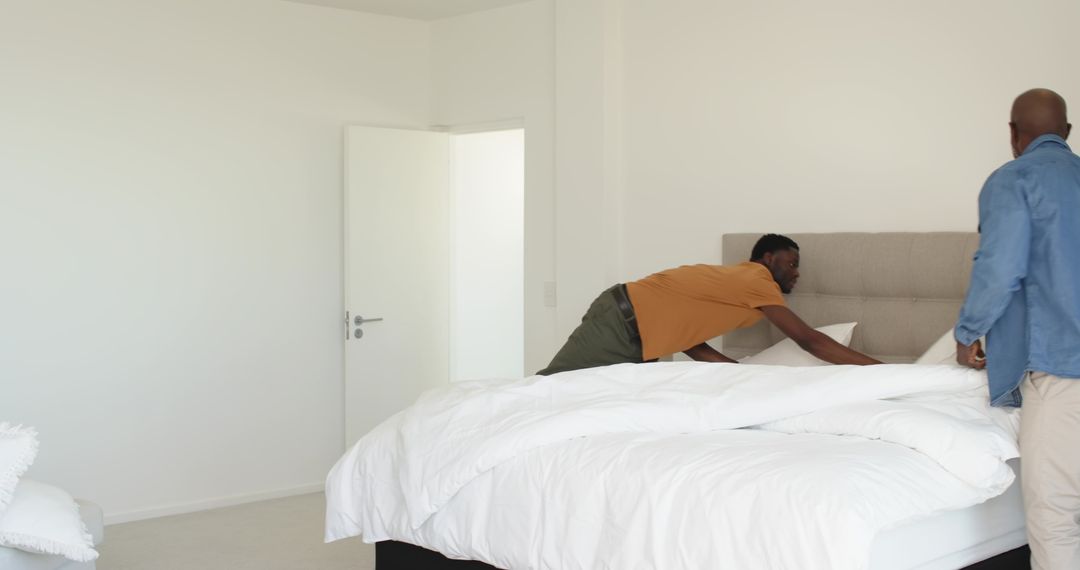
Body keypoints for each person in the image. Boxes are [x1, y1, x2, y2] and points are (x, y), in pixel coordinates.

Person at [954, 88, 1080, 569]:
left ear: (1013, 134)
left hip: (1062, 370)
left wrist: (968, 332)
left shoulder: (1013, 180)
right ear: (1066, 133)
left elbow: (1001, 267)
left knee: (1054, 517)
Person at [537, 233, 881, 375]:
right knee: (549, 387)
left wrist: (736, 373)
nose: (797, 273)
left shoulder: (737, 287)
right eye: (791, 264)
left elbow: (688, 338)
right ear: (768, 257)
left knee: (580, 399)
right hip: (619, 322)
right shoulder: (757, 280)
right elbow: (810, 341)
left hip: (635, 333)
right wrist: (884, 372)